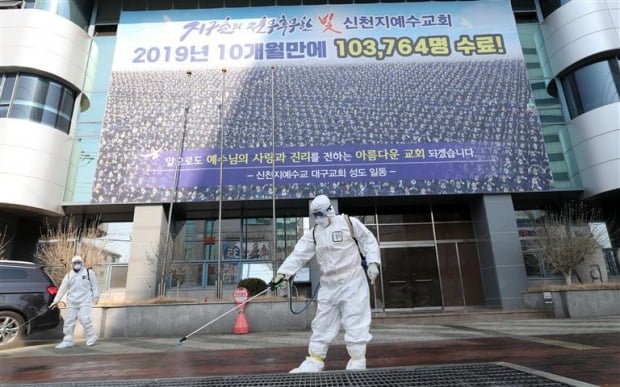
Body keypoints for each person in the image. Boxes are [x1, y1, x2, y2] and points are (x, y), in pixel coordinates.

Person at [270, 194, 381, 373]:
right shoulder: (314, 234)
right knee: (322, 321)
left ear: (330, 210)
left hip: (352, 279)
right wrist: (283, 274)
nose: (318, 218)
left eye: (320, 213)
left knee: (355, 319)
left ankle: (357, 360)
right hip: (329, 283)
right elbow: (298, 255)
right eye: (315, 215)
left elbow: (368, 240)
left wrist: (373, 262)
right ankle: (314, 360)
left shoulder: (348, 223)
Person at [51, 255, 100, 349]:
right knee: (69, 321)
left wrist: (96, 296)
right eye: (75, 263)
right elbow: (62, 288)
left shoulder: (89, 273)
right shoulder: (69, 275)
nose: (77, 264)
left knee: (84, 318)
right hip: (72, 301)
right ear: (72, 264)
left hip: (85, 300)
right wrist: (56, 300)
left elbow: (95, 285)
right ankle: (68, 340)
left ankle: (91, 335)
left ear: (82, 263)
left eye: (79, 262)